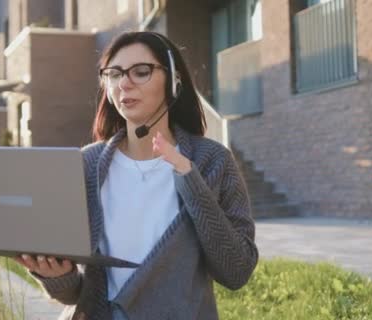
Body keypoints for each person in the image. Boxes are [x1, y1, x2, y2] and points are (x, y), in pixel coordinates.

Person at [15, 31, 258, 320]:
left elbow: (237, 271)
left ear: (173, 81)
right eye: (114, 75)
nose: (125, 83)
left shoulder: (212, 161)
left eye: (141, 72)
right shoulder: (88, 165)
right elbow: (80, 293)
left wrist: (190, 179)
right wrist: (59, 277)